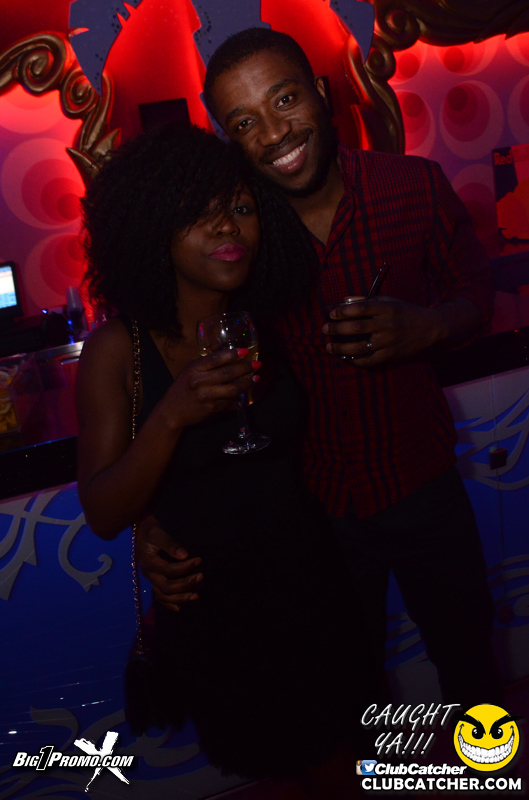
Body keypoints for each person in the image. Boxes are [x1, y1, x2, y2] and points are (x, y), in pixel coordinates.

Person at [139, 28, 500, 711]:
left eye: (284, 100)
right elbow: (177, 377)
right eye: (245, 122)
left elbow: (477, 294)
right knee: (345, 696)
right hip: (312, 513)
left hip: (424, 485)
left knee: (470, 669)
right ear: (228, 139)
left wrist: (428, 326)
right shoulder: (236, 234)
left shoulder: (413, 187)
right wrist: (157, 516)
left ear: (322, 93)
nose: (274, 133)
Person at [76, 123, 363, 791]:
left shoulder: (272, 318)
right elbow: (103, 511)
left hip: (310, 583)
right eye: (197, 211)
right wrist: (172, 415)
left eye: (239, 206)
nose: (227, 225)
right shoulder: (118, 350)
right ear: (153, 227)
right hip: (217, 610)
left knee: (346, 758)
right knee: (276, 771)